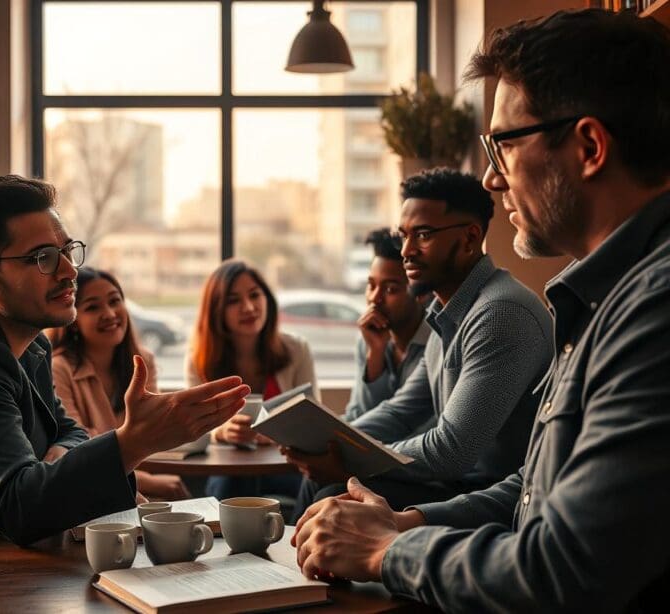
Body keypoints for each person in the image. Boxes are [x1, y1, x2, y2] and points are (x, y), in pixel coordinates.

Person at [293, 9, 670, 612]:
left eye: (503, 145)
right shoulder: (600, 299)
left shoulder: (653, 309)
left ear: (590, 148)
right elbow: (534, 486)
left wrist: (385, 553)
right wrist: (403, 522)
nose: (493, 181)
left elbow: (566, 569)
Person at [0, 175, 249, 611]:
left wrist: (59, 457)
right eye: (42, 257)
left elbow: (71, 433)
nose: (69, 270)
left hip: (9, 562)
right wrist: (134, 441)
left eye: (67, 250)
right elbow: (17, 506)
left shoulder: (29, 340)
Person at [286, 168, 553, 519]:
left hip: (499, 496)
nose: (407, 251)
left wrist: (353, 462)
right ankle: (288, 574)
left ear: (471, 238)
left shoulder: (500, 313)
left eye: (423, 235)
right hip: (460, 483)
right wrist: (326, 438)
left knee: (337, 493)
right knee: (321, 484)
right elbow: (400, 410)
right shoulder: (446, 314)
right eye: (404, 236)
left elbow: (451, 449)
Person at [51, 266, 190, 500]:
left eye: (115, 301)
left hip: (135, 474)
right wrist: (145, 482)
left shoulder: (142, 361)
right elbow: (79, 448)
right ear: (73, 320)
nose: (110, 313)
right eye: (93, 307)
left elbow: (151, 433)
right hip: (91, 486)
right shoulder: (59, 368)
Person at [185, 259, 319, 500]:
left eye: (255, 295)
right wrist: (222, 432)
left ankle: (298, 539)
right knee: (233, 481)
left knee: (316, 485)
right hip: (228, 468)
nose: (248, 307)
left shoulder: (297, 349)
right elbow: (192, 428)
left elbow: (314, 419)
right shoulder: (199, 360)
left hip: (284, 464)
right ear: (216, 310)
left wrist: (277, 433)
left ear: (267, 299)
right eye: (234, 300)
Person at [344, 228, 430, 423]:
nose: (375, 298)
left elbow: (417, 427)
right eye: (371, 285)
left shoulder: (438, 343)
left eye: (390, 289)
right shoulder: (368, 338)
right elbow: (358, 416)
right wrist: (375, 353)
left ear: (420, 293)